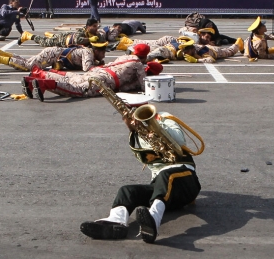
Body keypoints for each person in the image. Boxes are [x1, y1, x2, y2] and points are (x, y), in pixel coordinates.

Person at [79, 85, 200, 243]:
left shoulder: (164, 118)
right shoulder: (138, 135)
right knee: (127, 191)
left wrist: (156, 128)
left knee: (166, 176)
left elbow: (179, 140)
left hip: (185, 178)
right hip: (164, 191)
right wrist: (134, 131)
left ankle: (153, 221)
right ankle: (116, 223)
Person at [22, 48, 157, 100]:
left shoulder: (124, 57)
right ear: (145, 57)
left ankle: (38, 75)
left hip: (98, 70)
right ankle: (45, 84)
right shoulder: (138, 65)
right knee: (78, 90)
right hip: (105, 80)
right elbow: (144, 86)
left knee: (71, 77)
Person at [0, 37, 108, 72]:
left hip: (54, 53)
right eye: (103, 53)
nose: (103, 56)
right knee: (29, 66)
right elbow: (87, 68)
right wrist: (99, 67)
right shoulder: (88, 52)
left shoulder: (89, 52)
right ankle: (0, 59)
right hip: (53, 55)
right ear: (97, 51)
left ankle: (2, 53)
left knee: (28, 61)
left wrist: (97, 63)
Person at [20, 17, 100, 47]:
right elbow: (77, 40)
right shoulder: (81, 32)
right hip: (62, 41)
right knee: (44, 42)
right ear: (88, 27)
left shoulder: (94, 33)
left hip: (66, 36)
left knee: (54, 37)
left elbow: (102, 40)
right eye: (94, 26)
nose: (96, 28)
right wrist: (90, 39)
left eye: (97, 26)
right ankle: (27, 35)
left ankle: (51, 35)